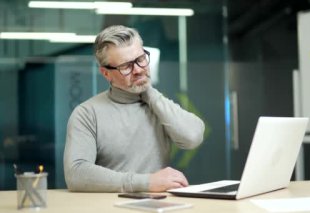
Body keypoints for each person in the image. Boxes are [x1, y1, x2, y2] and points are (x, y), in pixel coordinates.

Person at [63, 25, 205, 193]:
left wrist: (149, 92)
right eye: (126, 66)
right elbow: (76, 174)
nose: (138, 70)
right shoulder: (86, 114)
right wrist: (146, 182)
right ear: (106, 73)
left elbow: (193, 137)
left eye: (141, 59)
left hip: (159, 207)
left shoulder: (157, 105)